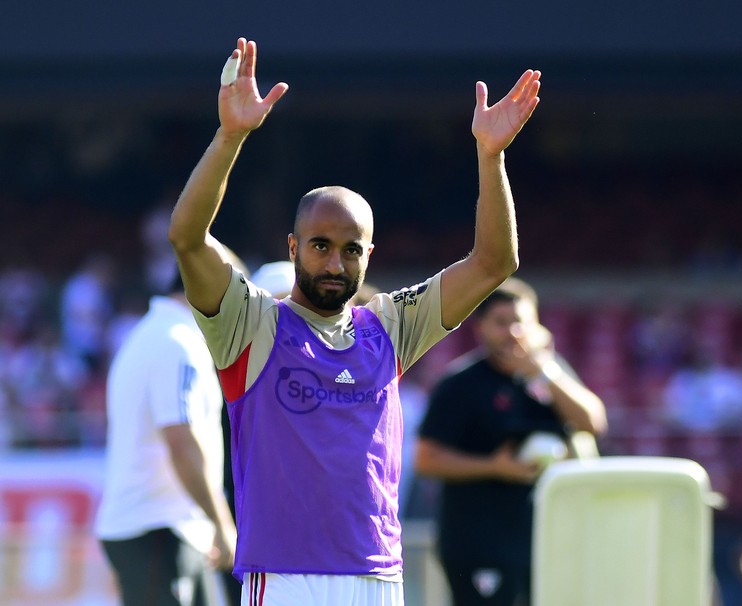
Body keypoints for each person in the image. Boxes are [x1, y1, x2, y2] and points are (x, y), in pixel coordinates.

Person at [166, 37, 540, 606]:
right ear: (293, 246)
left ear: (370, 254)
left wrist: (491, 158)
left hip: (377, 577)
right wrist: (230, 136)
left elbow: (493, 264)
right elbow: (188, 239)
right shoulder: (251, 325)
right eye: (319, 245)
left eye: (350, 249)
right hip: (286, 578)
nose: (334, 263)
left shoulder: (389, 329)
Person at [414, 277, 608, 606]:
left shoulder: (548, 375)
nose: (513, 333)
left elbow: (593, 422)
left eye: (521, 322)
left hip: (543, 540)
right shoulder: (460, 384)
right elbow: (426, 459)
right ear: (480, 328)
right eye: (501, 323)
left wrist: (545, 371)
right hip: (478, 541)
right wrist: (495, 467)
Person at [95, 268, 238, 606]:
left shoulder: (155, 334)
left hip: (162, 527)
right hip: (158, 529)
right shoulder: (177, 344)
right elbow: (181, 440)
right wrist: (221, 522)